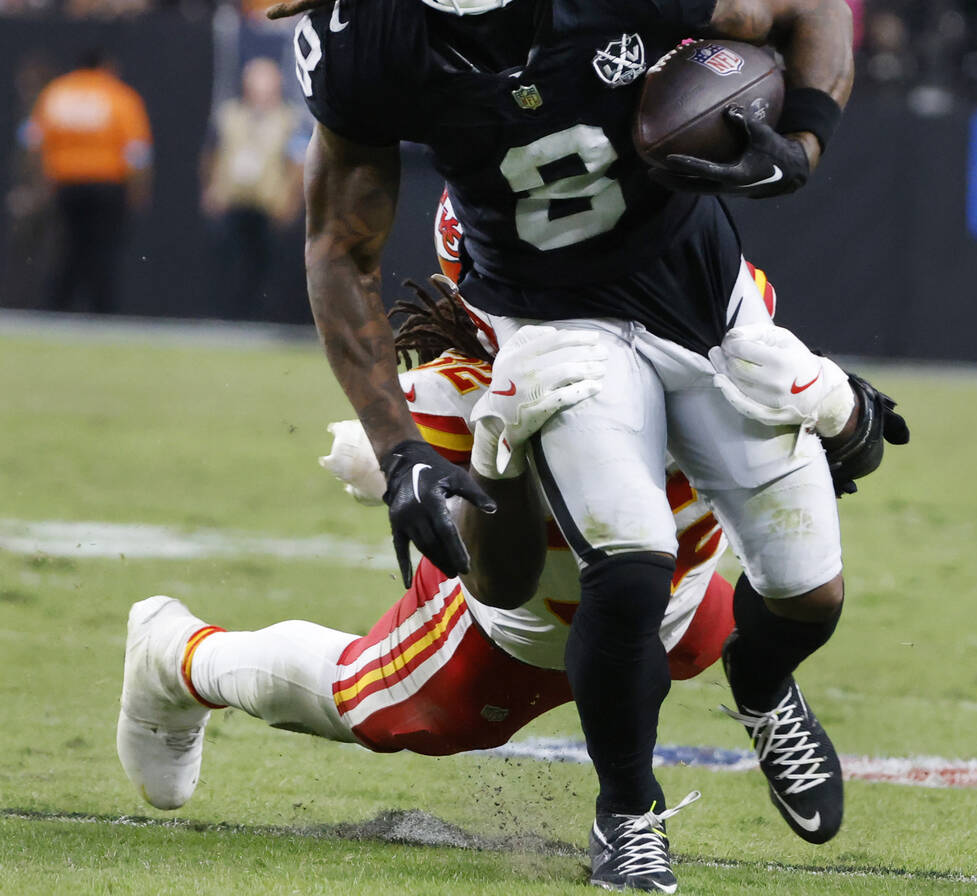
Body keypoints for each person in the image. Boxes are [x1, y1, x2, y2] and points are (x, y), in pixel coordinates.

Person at [264, 0, 857, 891]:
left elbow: (807, 3)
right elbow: (338, 252)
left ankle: (763, 681)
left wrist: (810, 144)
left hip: (698, 296)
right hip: (548, 320)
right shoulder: (369, 38)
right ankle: (626, 816)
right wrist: (396, 459)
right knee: (628, 568)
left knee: (808, 596)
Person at [117, 204, 908, 866]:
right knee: (365, 703)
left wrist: (836, 409)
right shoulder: (456, 397)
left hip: (678, 605)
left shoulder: (721, 313)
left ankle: (765, 689)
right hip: (516, 635)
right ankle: (177, 654)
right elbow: (498, 579)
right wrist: (495, 456)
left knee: (760, 605)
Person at [20, 49, 152, 314]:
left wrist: (39, 183)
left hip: (66, 184)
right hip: (107, 184)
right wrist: (139, 189)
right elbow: (137, 151)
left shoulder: (57, 93)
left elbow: (32, 143)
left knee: (68, 248)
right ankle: (102, 311)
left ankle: (57, 309)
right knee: (103, 250)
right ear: (105, 66)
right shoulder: (118, 95)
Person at [199, 56, 305, 320]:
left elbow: (297, 164)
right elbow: (211, 154)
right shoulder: (229, 115)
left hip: (269, 202)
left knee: (266, 264)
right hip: (232, 198)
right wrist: (210, 188)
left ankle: (261, 317)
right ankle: (227, 316)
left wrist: (292, 201)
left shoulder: (288, 119)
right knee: (229, 261)